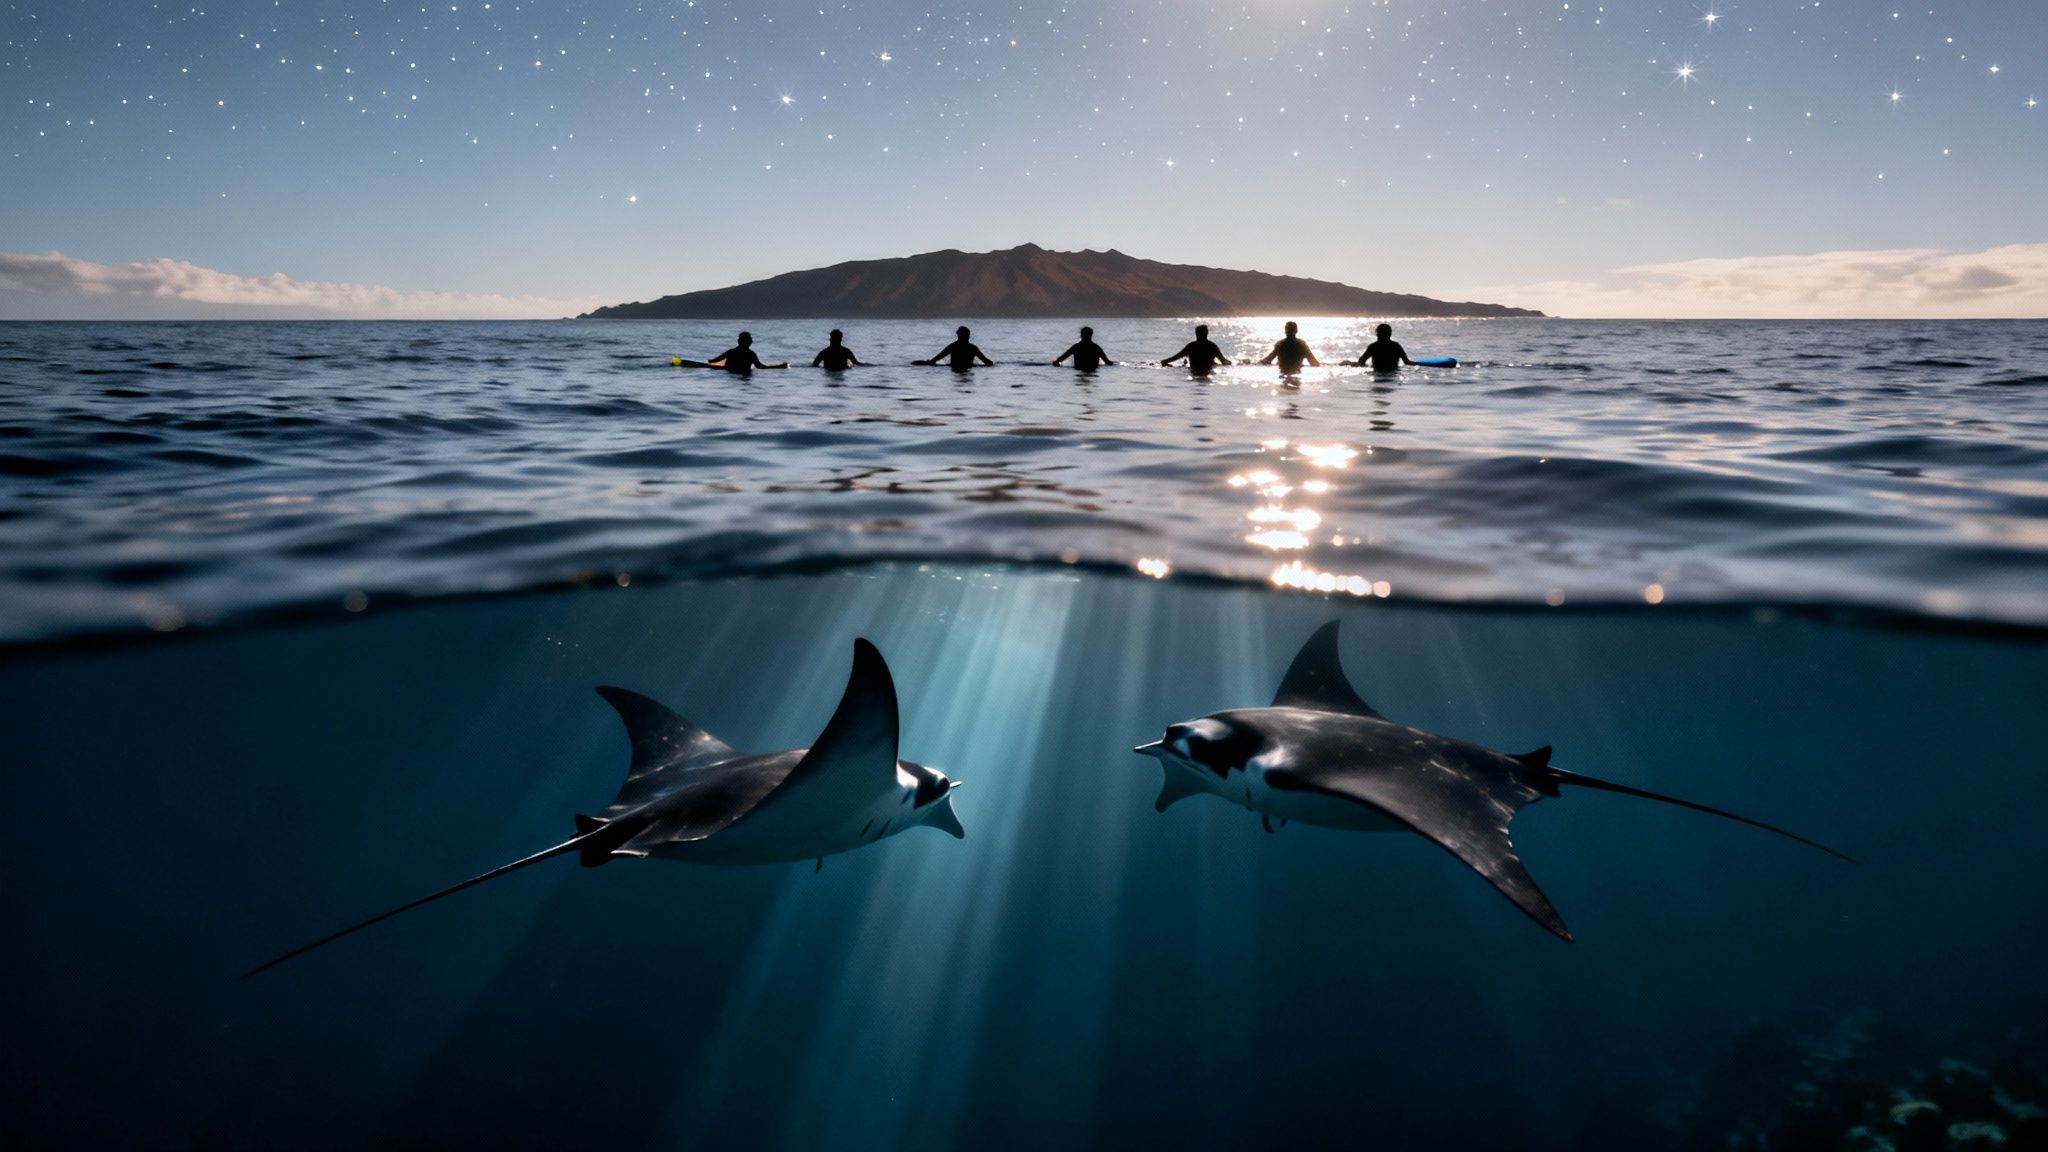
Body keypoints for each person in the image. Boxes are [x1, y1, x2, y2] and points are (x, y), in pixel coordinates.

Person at [1161, 324, 1231, 373]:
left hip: (1194, 371)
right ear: (1207, 333)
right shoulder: (1212, 346)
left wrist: (1165, 361)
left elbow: (1176, 357)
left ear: (1196, 334)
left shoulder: (1191, 346)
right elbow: (1223, 361)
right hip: (1208, 371)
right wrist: (1231, 363)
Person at [916, 326, 994, 369]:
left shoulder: (954, 346)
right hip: (968, 369)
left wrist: (928, 362)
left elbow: (934, 360)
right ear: (968, 336)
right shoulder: (972, 348)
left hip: (955, 368)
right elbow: (988, 363)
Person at [708, 331, 786, 373]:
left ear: (738, 341)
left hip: (729, 373)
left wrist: (708, 362)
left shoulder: (731, 352)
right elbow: (760, 367)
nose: (751, 341)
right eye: (750, 340)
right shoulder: (750, 354)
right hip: (742, 372)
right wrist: (778, 367)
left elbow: (714, 361)